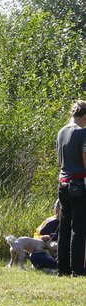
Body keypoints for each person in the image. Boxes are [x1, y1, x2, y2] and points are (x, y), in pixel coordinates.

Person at [56, 100, 86, 277]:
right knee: (79, 227)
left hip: (63, 182)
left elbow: (60, 160)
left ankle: (62, 268)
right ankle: (77, 269)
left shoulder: (61, 132)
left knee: (64, 226)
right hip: (79, 184)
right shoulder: (83, 133)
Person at [30, 199, 60, 271]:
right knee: (35, 257)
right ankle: (55, 266)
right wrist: (43, 239)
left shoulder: (77, 221)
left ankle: (56, 266)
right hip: (49, 252)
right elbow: (37, 235)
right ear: (57, 209)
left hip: (67, 254)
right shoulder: (49, 221)